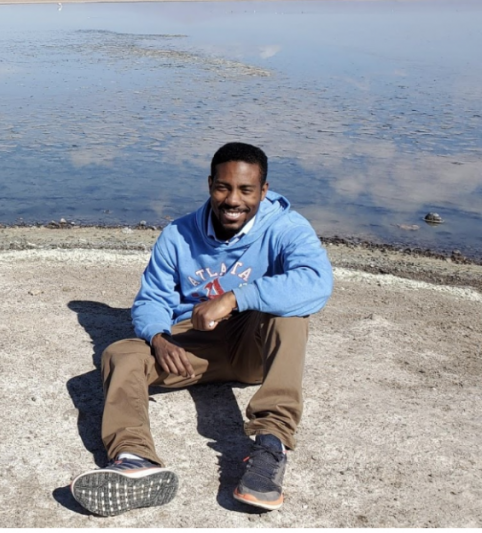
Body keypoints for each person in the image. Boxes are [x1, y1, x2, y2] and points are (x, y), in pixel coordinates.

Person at [70, 142, 333, 516]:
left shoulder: (287, 227)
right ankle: (134, 459)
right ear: (210, 184)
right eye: (223, 187)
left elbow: (316, 284)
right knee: (119, 353)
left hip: (252, 348)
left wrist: (234, 298)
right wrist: (158, 338)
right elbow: (150, 300)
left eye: (246, 190)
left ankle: (270, 446)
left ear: (264, 190)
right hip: (196, 349)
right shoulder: (178, 234)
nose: (232, 200)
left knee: (289, 313)